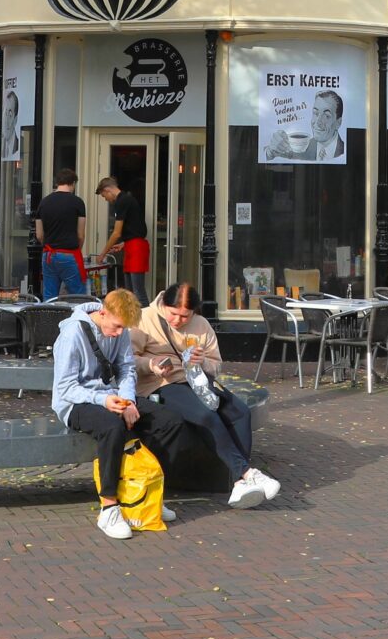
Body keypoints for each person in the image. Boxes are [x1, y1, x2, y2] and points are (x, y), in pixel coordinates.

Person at [133, 282, 278, 508]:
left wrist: (204, 363)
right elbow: (127, 360)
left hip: (197, 382)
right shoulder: (144, 319)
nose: (178, 320)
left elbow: (216, 365)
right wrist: (152, 364)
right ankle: (247, 475)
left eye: (185, 316)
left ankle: (240, 481)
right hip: (160, 383)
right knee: (205, 416)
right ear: (163, 304)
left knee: (239, 412)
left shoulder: (201, 324)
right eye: (174, 314)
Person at [50, 288, 160, 540]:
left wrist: (129, 400)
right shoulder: (72, 334)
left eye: (125, 329)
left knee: (165, 419)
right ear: (103, 313)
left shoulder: (120, 329)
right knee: (113, 427)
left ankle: (147, 495)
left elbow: (126, 368)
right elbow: (66, 388)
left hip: (110, 395)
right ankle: (109, 506)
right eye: (117, 327)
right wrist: (104, 399)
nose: (120, 333)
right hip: (74, 403)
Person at [36, 170, 87, 300]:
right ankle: (78, 320)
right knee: (78, 296)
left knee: (50, 296)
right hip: (69, 254)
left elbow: (39, 235)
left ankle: (48, 320)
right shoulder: (77, 202)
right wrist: (77, 250)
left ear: (57, 182)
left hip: (48, 254)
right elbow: (80, 234)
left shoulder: (44, 202)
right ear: (73, 183)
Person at [99, 177, 148, 295]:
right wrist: (125, 243)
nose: (106, 199)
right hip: (132, 245)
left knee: (138, 292)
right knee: (130, 293)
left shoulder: (122, 201)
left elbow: (116, 233)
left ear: (107, 190)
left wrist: (103, 254)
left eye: (104, 196)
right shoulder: (127, 199)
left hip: (137, 248)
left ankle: (145, 313)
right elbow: (136, 227)